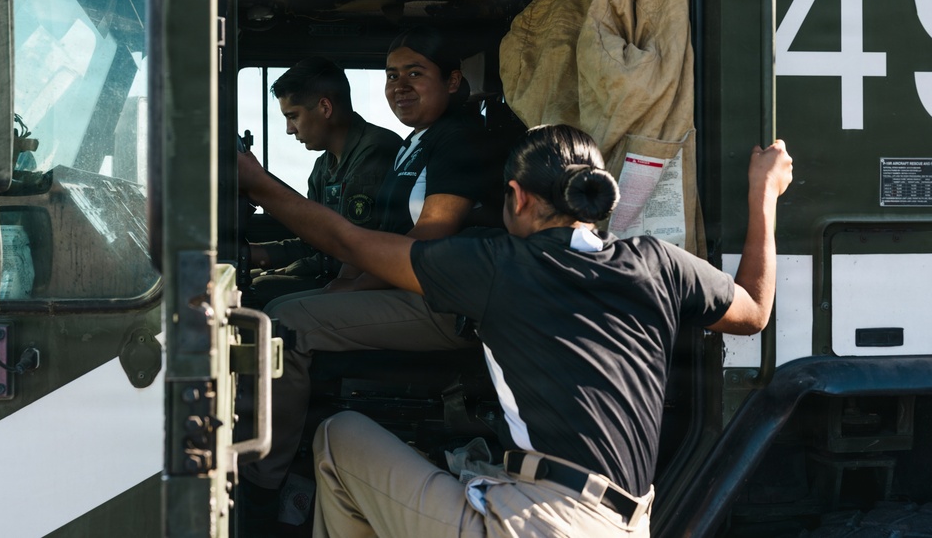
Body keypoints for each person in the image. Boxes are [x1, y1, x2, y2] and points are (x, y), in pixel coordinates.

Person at [238, 123, 793, 537]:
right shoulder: (659, 262)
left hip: (539, 525)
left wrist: (255, 180)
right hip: (626, 525)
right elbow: (754, 312)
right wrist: (762, 196)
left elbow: (349, 244)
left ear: (519, 196)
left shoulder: (499, 264)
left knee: (337, 438)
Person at [239, 28, 498, 510]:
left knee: (284, 326)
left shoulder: (461, 140)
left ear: (454, 80)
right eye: (391, 75)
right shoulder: (415, 144)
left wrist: (349, 285)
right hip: (412, 287)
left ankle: (262, 484)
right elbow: (389, 233)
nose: (399, 85)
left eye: (415, 74)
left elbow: (426, 245)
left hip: (444, 301)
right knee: (271, 309)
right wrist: (348, 283)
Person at [245, 56, 401, 306]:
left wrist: (295, 272)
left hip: (368, 281)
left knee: (259, 295)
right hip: (334, 272)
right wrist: (252, 254)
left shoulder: (376, 151)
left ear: (325, 108)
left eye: (293, 116)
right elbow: (315, 241)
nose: (289, 129)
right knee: (248, 282)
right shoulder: (323, 166)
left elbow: (355, 249)